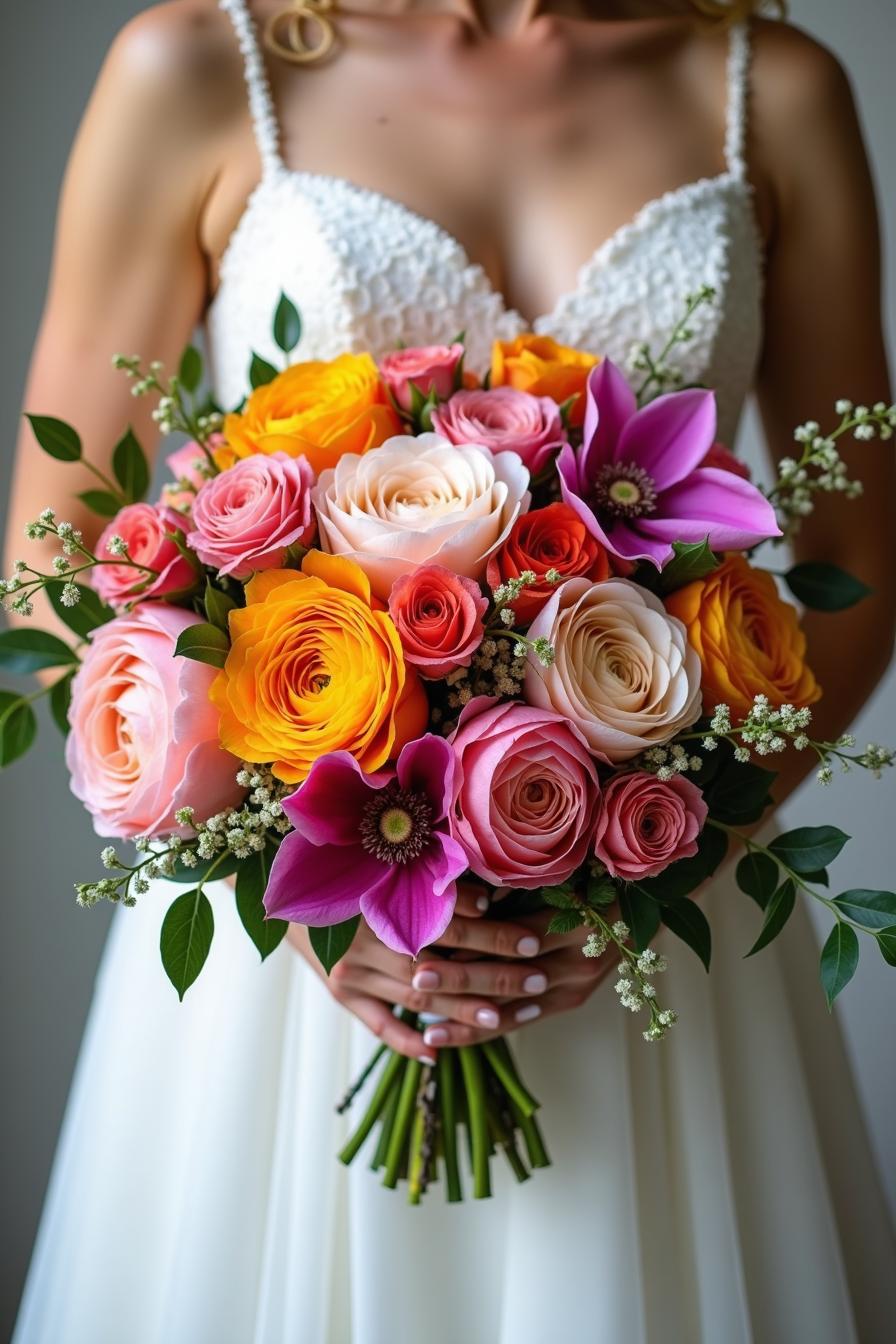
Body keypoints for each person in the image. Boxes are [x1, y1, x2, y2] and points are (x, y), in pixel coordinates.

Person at [6, 1, 895, 1340]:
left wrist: (654, 848)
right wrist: (299, 896)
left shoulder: (770, 88)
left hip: (646, 947)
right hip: (301, 967)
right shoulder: (193, 67)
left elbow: (856, 550)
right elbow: (58, 546)